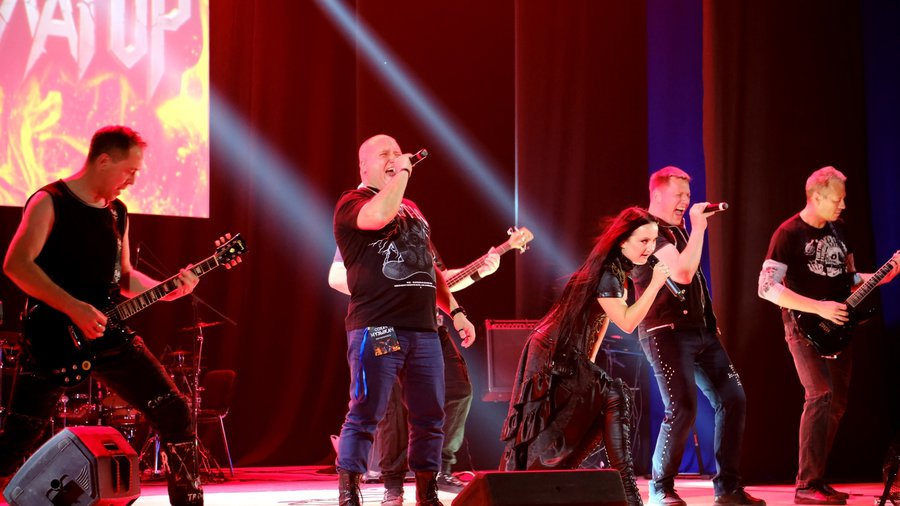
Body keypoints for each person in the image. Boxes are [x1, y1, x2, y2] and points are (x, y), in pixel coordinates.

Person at [0, 126, 212, 505]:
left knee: (175, 411)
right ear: (103, 161)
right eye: (129, 171)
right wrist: (74, 307)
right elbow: (16, 264)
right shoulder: (50, 201)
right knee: (19, 436)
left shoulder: (117, 212)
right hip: (52, 336)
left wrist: (169, 289)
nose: (133, 180)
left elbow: (125, 276)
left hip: (109, 333)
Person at [333, 134, 476, 506]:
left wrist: (456, 311)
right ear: (364, 165)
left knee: (430, 414)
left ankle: (427, 493)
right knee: (368, 409)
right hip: (380, 325)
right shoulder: (353, 202)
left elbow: (429, 267)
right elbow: (379, 216)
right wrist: (403, 173)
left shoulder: (411, 208)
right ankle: (349, 492)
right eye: (385, 154)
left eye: (398, 153)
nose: (395, 158)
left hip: (424, 329)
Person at [501, 206, 671, 506]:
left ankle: (617, 491)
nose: (650, 247)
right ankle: (626, 494)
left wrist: (588, 365)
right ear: (623, 241)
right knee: (598, 402)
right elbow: (627, 322)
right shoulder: (608, 272)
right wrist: (655, 284)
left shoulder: (616, 270)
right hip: (552, 350)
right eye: (643, 240)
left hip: (568, 352)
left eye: (654, 240)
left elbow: (601, 322)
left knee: (603, 402)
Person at [757, 166, 900, 504]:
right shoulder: (788, 233)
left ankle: (816, 480)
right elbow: (766, 288)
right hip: (803, 326)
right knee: (819, 393)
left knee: (836, 403)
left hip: (838, 327)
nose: (843, 205)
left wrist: (887, 273)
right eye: (837, 200)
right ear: (816, 197)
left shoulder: (840, 230)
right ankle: (806, 486)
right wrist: (817, 308)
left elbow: (850, 280)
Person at [631, 166, 763, 506]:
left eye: (688, 195)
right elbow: (683, 273)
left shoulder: (678, 231)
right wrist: (700, 226)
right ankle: (661, 488)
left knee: (733, 398)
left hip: (701, 331)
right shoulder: (647, 231)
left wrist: (708, 319)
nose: (686, 201)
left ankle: (728, 488)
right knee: (682, 408)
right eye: (679, 195)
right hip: (665, 332)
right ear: (657, 194)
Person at [330, 245, 500, 504]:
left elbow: (438, 279)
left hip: (427, 327)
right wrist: (390, 287)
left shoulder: (419, 230)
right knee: (391, 405)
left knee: (456, 391)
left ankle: (436, 471)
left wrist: (477, 275)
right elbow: (336, 277)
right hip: (384, 325)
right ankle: (393, 484)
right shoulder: (365, 230)